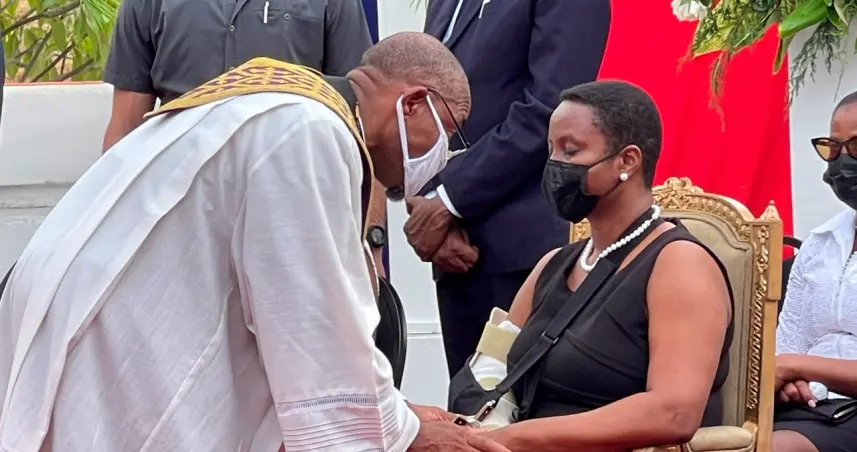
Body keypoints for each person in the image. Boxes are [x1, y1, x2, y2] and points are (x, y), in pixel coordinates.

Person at [0, 32, 507, 452]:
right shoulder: (308, 130)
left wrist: (396, 414)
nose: (442, 157)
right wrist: (405, 435)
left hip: (82, 331)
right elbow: (315, 326)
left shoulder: (272, 106)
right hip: (112, 359)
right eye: (449, 134)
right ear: (413, 103)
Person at [468, 81, 734, 450]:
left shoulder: (680, 264)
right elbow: (491, 364)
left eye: (570, 150)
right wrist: (478, 429)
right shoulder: (552, 264)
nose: (554, 165)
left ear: (627, 161)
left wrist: (517, 438)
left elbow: (673, 412)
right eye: (551, 150)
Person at [101, 0, 390, 278]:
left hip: (296, 219)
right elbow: (125, 134)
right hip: (180, 220)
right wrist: (111, 242)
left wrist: (371, 244)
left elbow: (363, 128)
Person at [406, 0, 612, 375]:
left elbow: (550, 110)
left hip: (521, 247)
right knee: (468, 400)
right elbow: (423, 104)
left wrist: (448, 198)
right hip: (451, 246)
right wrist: (428, 198)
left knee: (518, 402)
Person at [773, 91, 857, 452]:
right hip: (810, 405)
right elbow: (787, 346)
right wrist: (790, 379)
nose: (842, 161)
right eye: (833, 148)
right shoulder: (821, 242)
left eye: (856, 146)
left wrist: (796, 367)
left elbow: (789, 361)